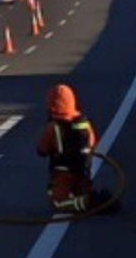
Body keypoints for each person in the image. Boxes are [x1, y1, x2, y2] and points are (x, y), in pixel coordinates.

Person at [35, 83, 97, 214]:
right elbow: (91, 143)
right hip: (83, 173)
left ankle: (85, 203)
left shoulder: (53, 127)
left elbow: (41, 150)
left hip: (62, 175)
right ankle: (89, 198)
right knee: (83, 190)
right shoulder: (84, 124)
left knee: (58, 203)